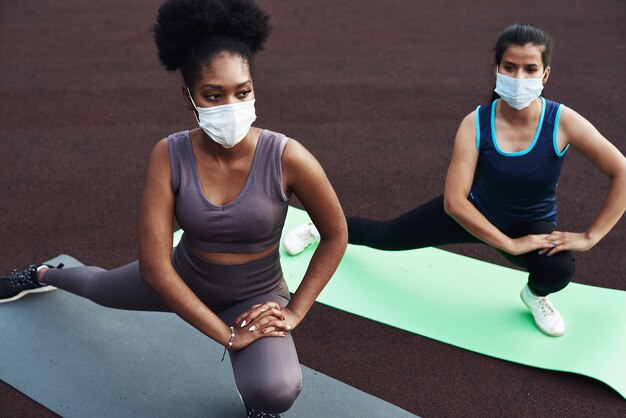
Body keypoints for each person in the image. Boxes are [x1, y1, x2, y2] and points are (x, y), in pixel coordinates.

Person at [0, 0, 347, 416]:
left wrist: (293, 311)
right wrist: (226, 335)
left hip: (255, 296)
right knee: (98, 288)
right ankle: (42, 274)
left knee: (274, 391)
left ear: (254, 85)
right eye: (213, 95)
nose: (231, 106)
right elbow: (155, 269)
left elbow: (336, 233)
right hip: (181, 277)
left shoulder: (288, 156)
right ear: (189, 97)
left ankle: (255, 394)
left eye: (243, 91)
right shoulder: (169, 154)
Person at [284, 23, 626, 338]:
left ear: (545, 74)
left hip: (530, 225)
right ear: (497, 70)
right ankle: (321, 229)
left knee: (559, 268)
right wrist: (507, 245)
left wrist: (591, 236)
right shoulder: (475, 123)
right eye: (510, 67)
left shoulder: (563, 121)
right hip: (471, 212)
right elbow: (454, 202)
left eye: (530, 69)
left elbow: (621, 170)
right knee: (384, 234)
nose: (519, 77)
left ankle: (534, 296)